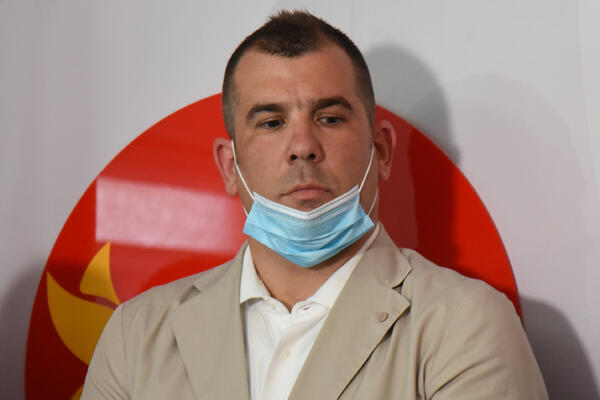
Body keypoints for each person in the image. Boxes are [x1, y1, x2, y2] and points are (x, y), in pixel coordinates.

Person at [82, 10, 548, 399]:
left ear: (382, 150)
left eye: (329, 118)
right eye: (271, 122)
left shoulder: (465, 324)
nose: (303, 146)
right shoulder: (134, 338)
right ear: (229, 166)